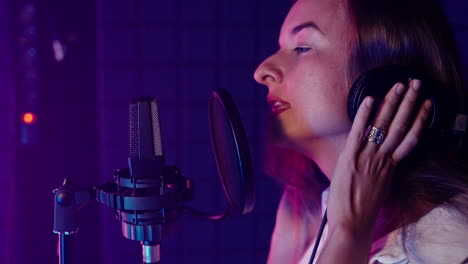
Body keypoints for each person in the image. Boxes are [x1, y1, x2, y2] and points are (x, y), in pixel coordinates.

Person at [253, 0, 468, 263]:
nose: (261, 71)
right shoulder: (311, 220)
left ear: (383, 85)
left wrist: (347, 235)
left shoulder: (447, 242)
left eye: (302, 47)